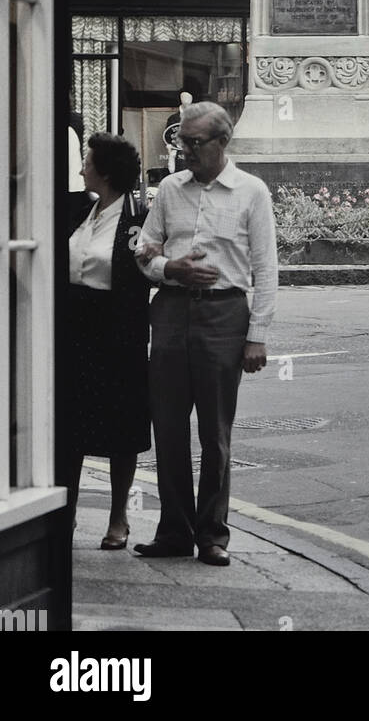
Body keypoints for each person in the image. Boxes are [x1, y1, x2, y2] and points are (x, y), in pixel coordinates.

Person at [134, 102, 278, 565]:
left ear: (222, 142)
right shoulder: (169, 191)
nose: (185, 151)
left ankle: (212, 534)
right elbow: (144, 252)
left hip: (224, 315)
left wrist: (256, 335)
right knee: (168, 428)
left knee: (215, 432)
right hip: (172, 313)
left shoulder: (251, 192)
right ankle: (174, 530)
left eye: (195, 143)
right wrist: (167, 268)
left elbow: (265, 268)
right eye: (181, 142)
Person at [66, 134, 150, 548]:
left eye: (87, 160)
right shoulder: (79, 208)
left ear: (106, 170)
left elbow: (145, 274)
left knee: (122, 425)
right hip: (73, 329)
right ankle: (63, 517)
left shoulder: (139, 218)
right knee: (70, 427)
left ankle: (119, 519)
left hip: (117, 331)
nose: (82, 167)